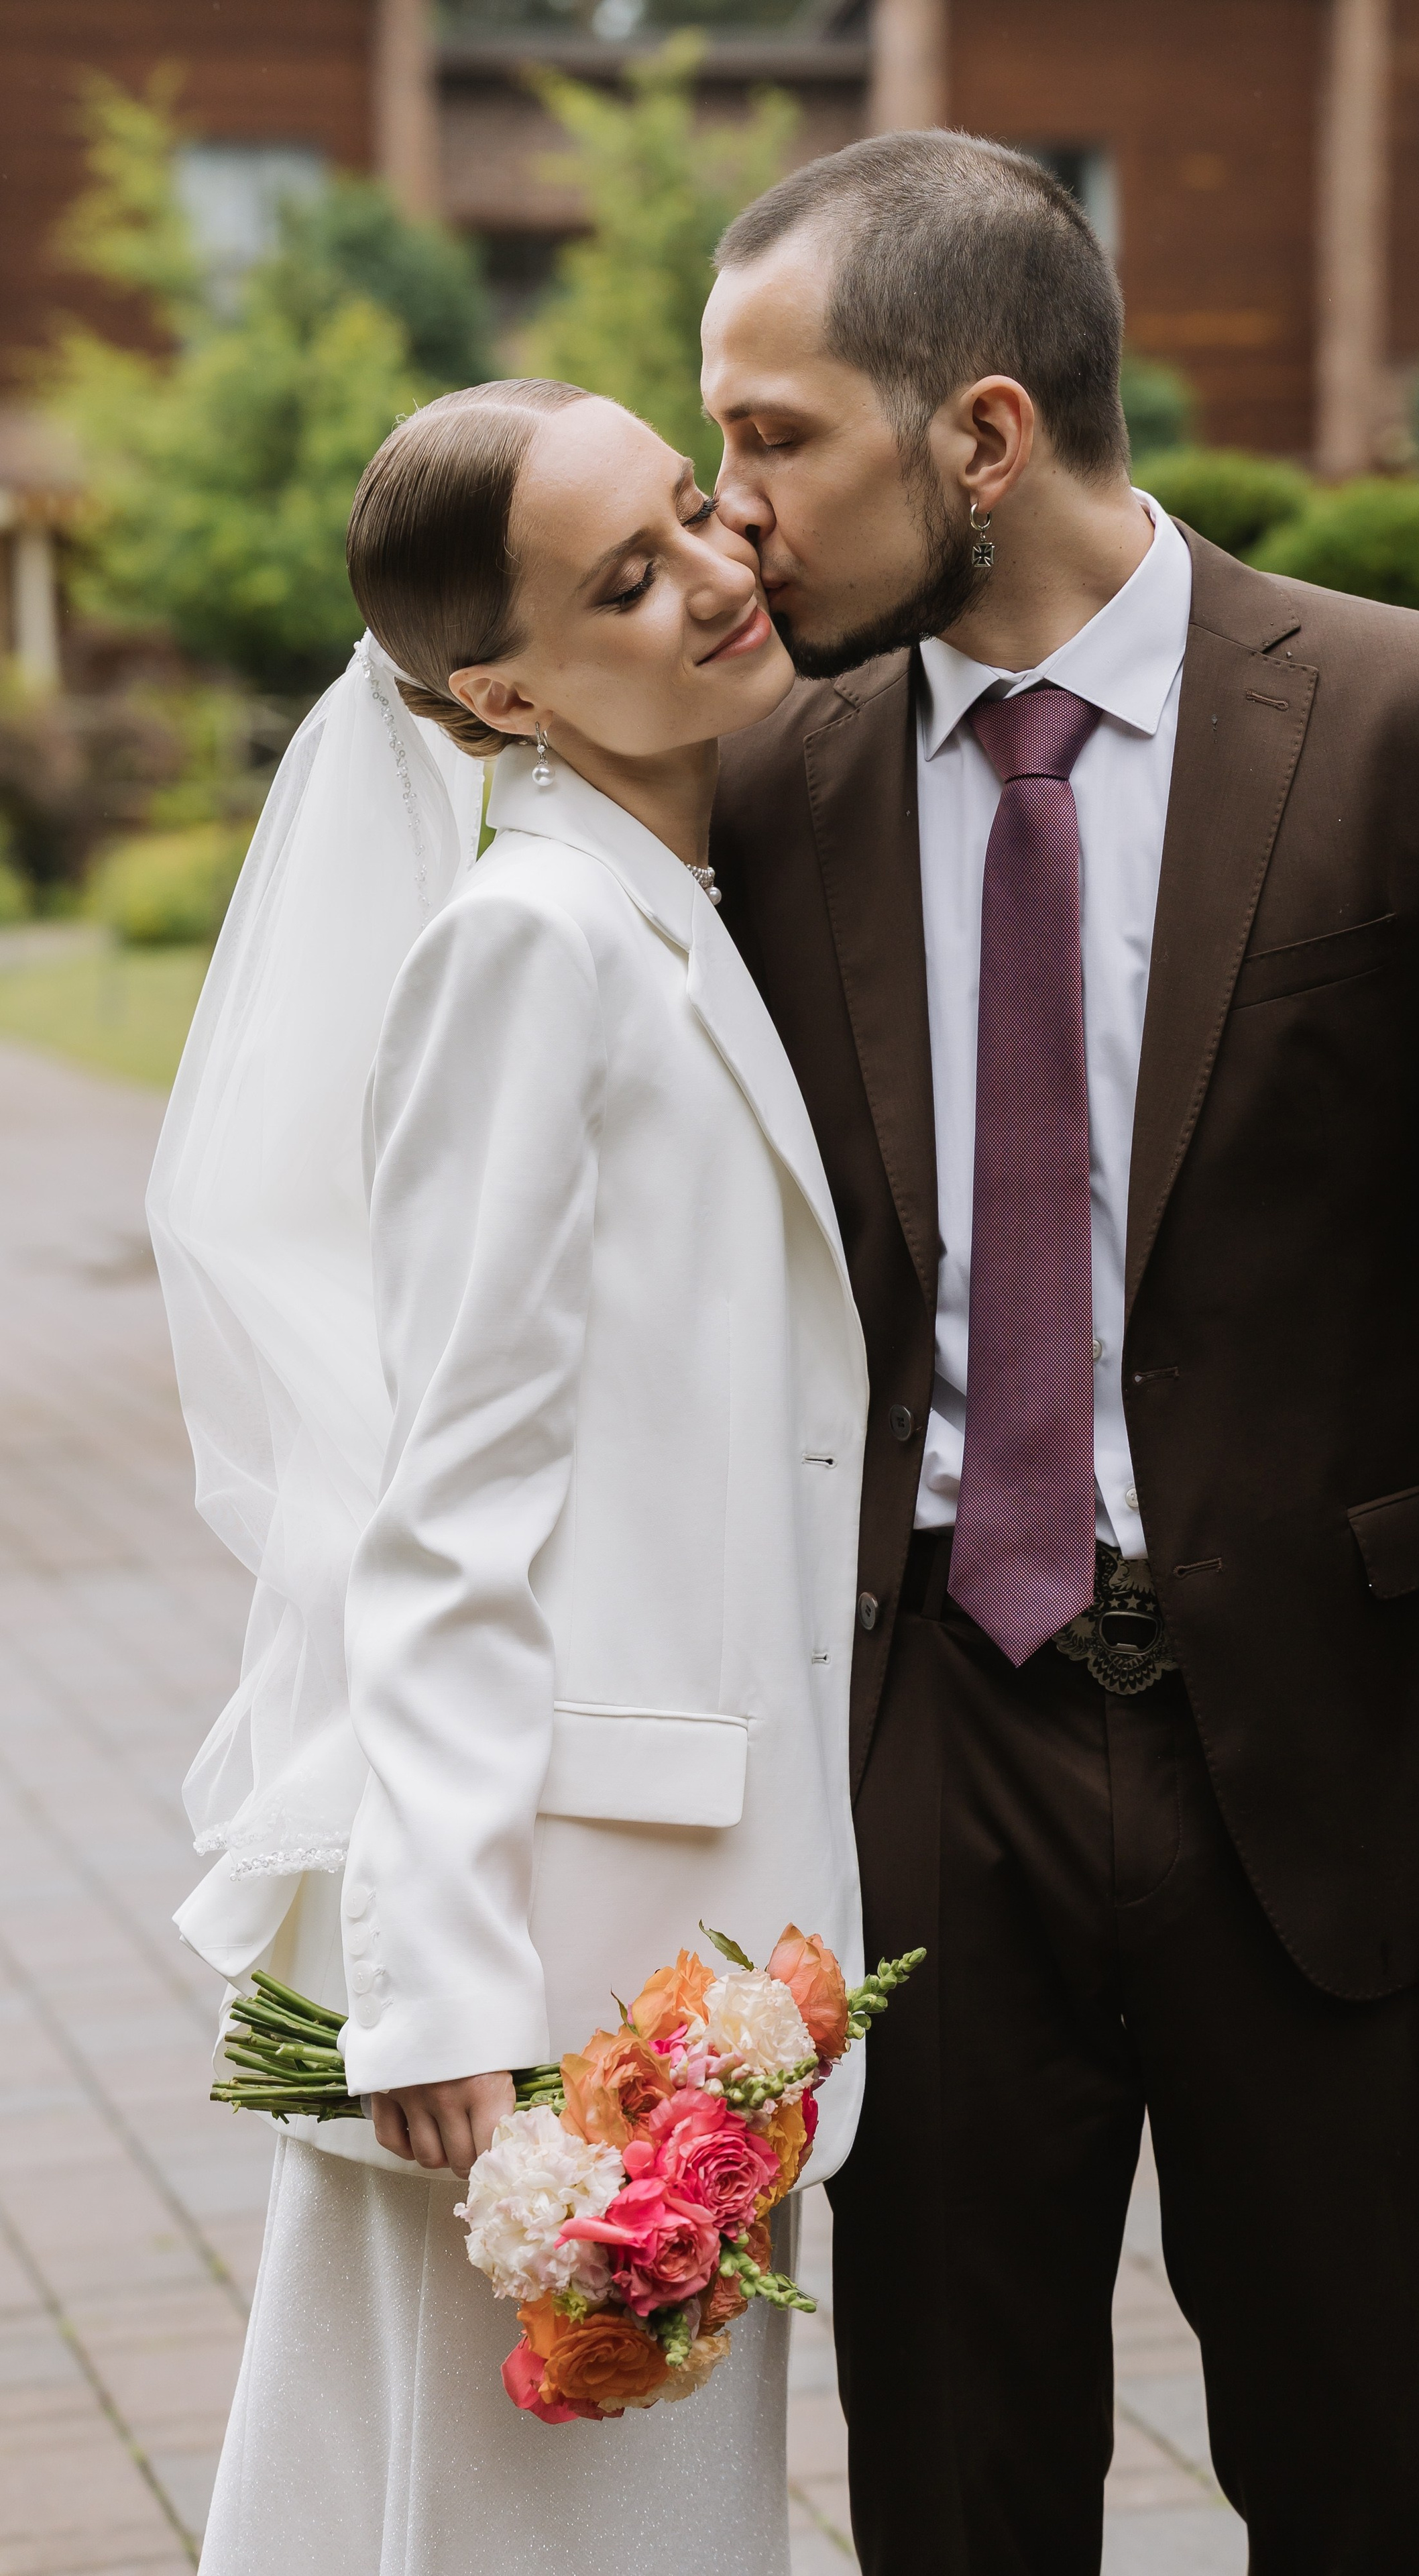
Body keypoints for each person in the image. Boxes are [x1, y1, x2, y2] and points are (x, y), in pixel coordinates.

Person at [698, 133, 1419, 2575]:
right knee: (953, 2491)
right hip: (927, 1767)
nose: (734, 517)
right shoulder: (775, 788)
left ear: (984, 437)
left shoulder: (1418, 725)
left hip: (1328, 1788)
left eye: (774, 439)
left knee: (1370, 2475)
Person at [150, 379, 867, 2575]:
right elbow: (445, 1495)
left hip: (684, 1908)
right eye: (629, 582)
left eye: (693, 517)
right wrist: (445, 1975)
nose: (721, 579)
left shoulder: (678, 897)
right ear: (504, 689)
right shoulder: (531, 945)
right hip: (571, 1949)